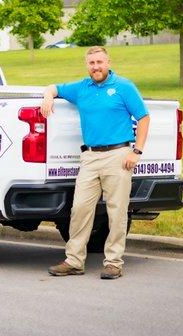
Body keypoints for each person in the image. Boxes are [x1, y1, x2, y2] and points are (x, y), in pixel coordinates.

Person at [41, 46, 150, 279]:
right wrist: (48, 97)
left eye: (100, 62)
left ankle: (113, 262)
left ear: (108, 62)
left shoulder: (123, 87)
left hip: (118, 156)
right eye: (91, 63)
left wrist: (137, 151)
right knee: (80, 208)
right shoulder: (82, 87)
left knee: (116, 211)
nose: (96, 67)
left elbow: (143, 117)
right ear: (86, 65)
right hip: (90, 157)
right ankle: (74, 261)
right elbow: (53, 87)